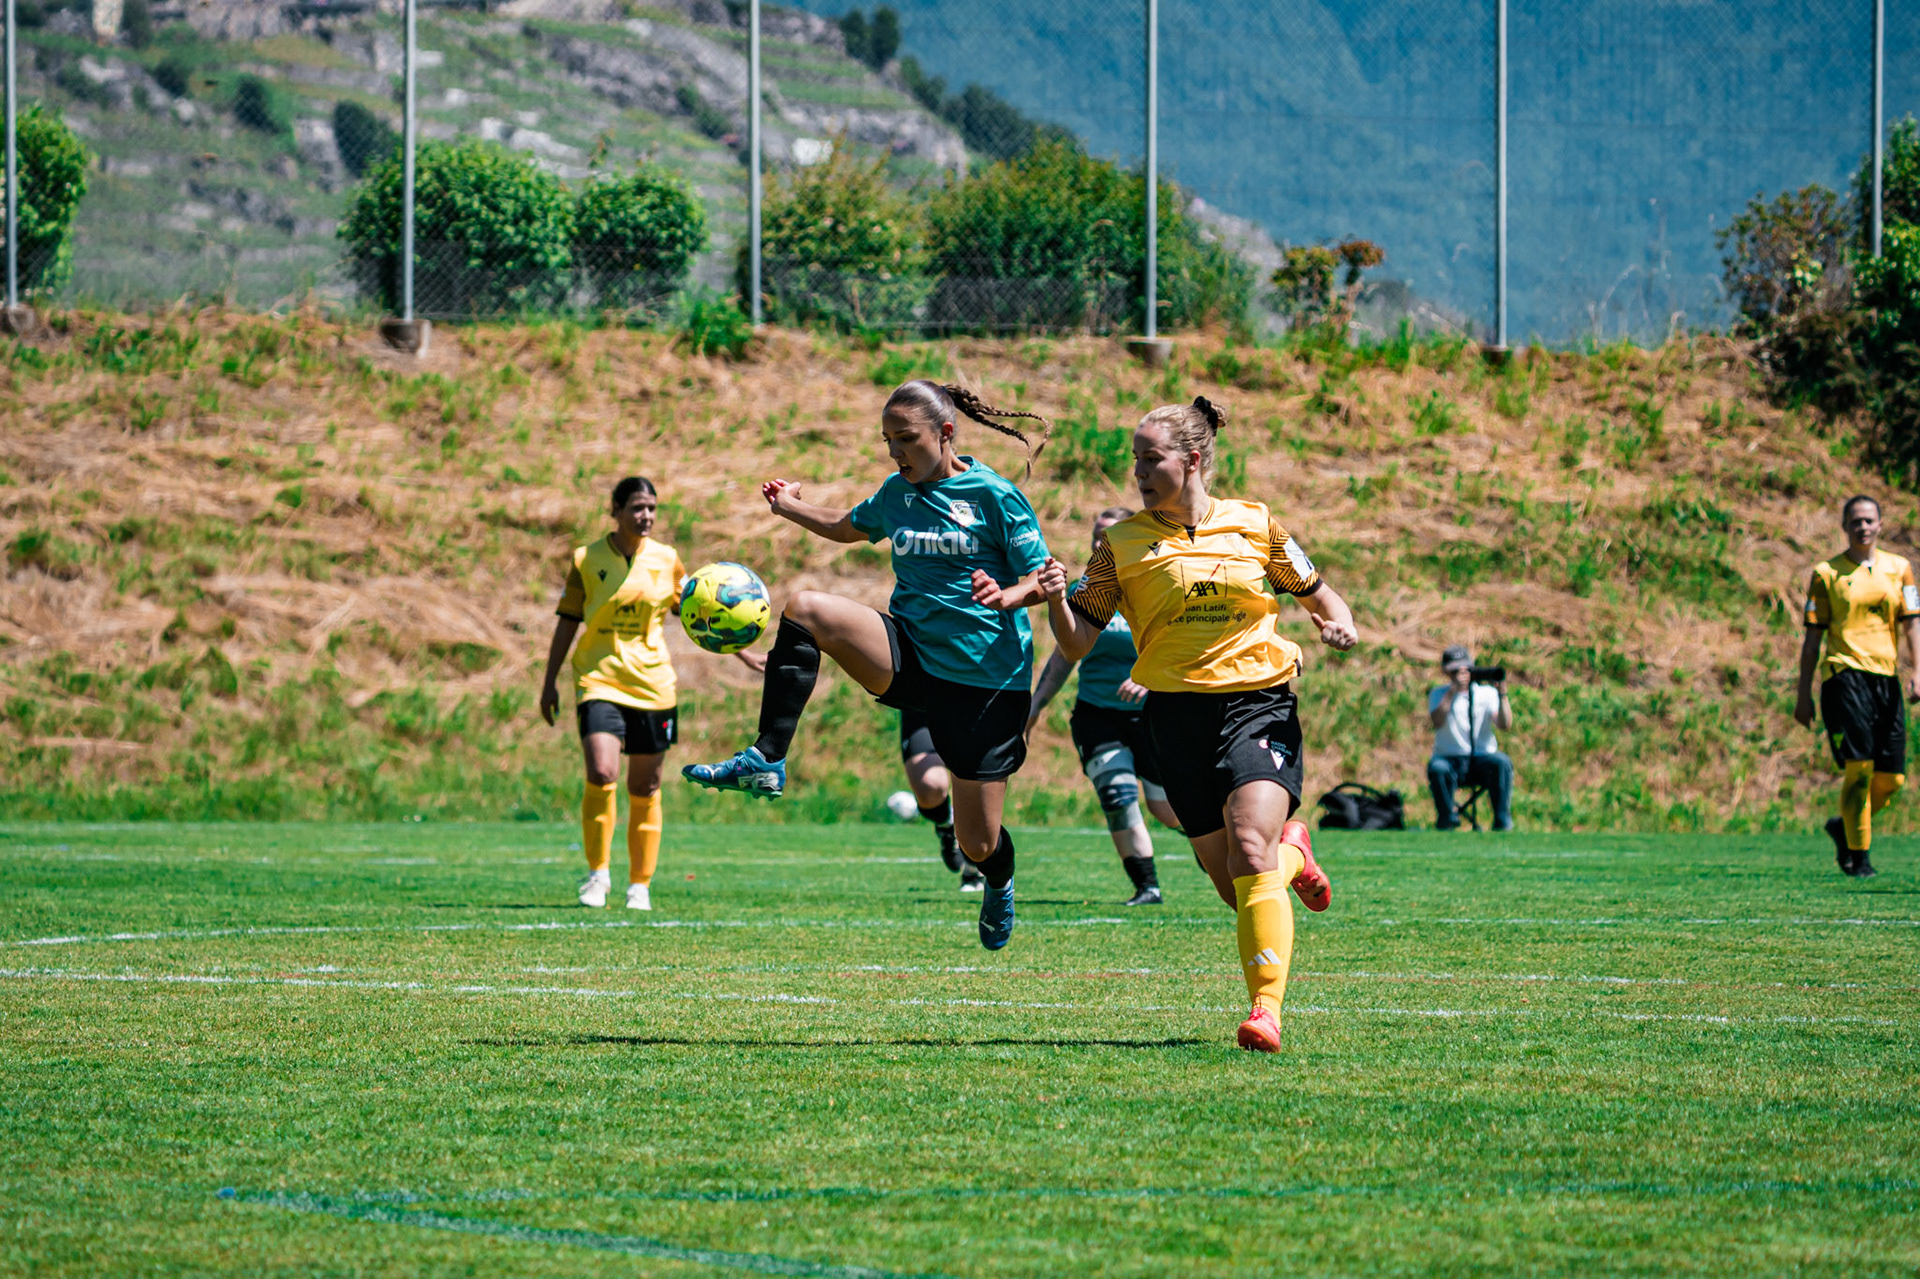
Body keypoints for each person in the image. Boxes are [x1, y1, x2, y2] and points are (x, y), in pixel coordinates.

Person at [683, 380, 1051, 950]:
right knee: (806, 608)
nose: (895, 452)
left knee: (977, 841)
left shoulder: (994, 496)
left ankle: (998, 879)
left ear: (946, 433)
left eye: (906, 439)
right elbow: (846, 527)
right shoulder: (896, 493)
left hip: (987, 680)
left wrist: (1009, 596)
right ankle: (767, 758)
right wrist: (789, 506)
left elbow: (1046, 576)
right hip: (913, 654)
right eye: (888, 441)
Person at [1039, 396, 1355, 1053]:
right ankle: (1295, 850)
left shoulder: (1255, 523)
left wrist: (1336, 620)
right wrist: (1052, 600)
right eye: (1134, 460)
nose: (1138, 471)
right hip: (1175, 716)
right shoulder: (1120, 544)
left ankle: (1265, 1011)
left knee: (1247, 846)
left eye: (1149, 458)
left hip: (1259, 701)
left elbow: (1318, 592)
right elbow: (1075, 642)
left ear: (1193, 459)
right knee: (1235, 882)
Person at [539, 476, 764, 911]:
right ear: (616, 510)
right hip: (598, 679)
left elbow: (703, 616)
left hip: (653, 685)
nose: (646, 516)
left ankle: (639, 884)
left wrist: (745, 655)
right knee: (603, 772)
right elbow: (568, 619)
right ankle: (597, 875)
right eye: (638, 507)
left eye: (652, 509)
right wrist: (549, 681)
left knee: (646, 785)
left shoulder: (667, 560)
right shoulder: (587, 559)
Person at [1026, 506, 1183, 906]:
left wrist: (1146, 676)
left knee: (1166, 809)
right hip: (1098, 715)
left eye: (1108, 536)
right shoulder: (1086, 591)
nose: (1099, 543)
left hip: (1156, 714)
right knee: (1116, 794)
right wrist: (1036, 705)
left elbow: (1183, 648)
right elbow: (1065, 655)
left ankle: (1213, 847)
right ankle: (1147, 886)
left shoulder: (1158, 586)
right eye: (1096, 536)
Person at [1794, 494, 1920, 877]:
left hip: (1885, 679)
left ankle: (1843, 826)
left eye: (1869, 520)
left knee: (1892, 778)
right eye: (1855, 521)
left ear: (1881, 524)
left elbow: (1912, 622)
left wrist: (1917, 669)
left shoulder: (1900, 569)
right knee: (1859, 767)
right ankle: (1860, 858)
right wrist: (1802, 694)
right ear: (1844, 527)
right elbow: (1812, 639)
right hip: (1843, 677)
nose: (1863, 527)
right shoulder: (1826, 574)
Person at [1425, 645, 1514, 831]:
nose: (1462, 674)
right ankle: (1447, 819)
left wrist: (1502, 694)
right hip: (1450, 759)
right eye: (1456, 670)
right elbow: (1437, 721)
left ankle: (1502, 820)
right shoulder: (1438, 694)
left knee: (1502, 762)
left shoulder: (1486, 693)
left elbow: (1505, 725)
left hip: (1482, 758)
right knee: (1437, 768)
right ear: (1446, 672)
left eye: (1465, 669)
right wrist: (1452, 691)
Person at [898, 710, 984, 891]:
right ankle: (947, 825)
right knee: (929, 786)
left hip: (975, 697)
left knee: (978, 783)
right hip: (923, 703)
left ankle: (973, 870)